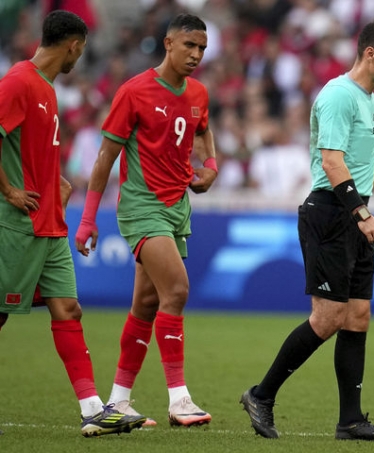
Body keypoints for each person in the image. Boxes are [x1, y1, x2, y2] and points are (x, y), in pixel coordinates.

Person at [240, 19, 374, 441]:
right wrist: (361, 214)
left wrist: (362, 212)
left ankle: (350, 421)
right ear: (370, 54)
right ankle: (262, 394)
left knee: (357, 316)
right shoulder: (338, 95)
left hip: (354, 211)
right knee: (328, 316)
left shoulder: (369, 98)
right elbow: (332, 162)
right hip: (332, 212)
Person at [0, 10, 146, 437]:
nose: (79, 57)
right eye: (81, 50)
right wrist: (9, 191)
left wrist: (56, 183)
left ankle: (92, 409)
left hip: (50, 224)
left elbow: (28, 151)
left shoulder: (45, 88)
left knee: (69, 309)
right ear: (74, 44)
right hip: (18, 224)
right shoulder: (18, 82)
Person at [74, 13, 217, 428]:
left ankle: (117, 401)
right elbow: (105, 157)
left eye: (202, 48)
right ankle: (180, 399)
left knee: (147, 303)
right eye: (189, 45)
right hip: (142, 206)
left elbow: (204, 131)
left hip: (177, 208)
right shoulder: (134, 91)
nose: (196, 54)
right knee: (176, 289)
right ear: (168, 43)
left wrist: (210, 164)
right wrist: (87, 219)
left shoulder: (199, 94)